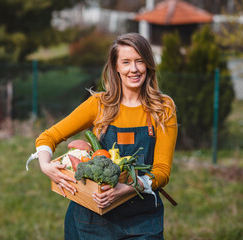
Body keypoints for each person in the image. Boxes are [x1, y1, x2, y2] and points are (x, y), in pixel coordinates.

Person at [32, 32, 178, 239]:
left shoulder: (163, 108)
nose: (134, 69)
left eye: (140, 61)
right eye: (126, 62)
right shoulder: (99, 105)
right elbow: (48, 137)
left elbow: (162, 171)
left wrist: (130, 187)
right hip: (92, 221)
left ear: (148, 64)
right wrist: (46, 166)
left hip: (142, 220)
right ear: (116, 66)